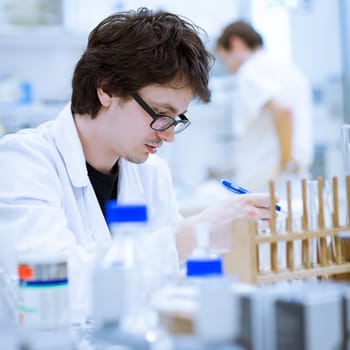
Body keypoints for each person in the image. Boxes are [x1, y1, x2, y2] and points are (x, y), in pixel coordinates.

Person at [0, 9, 274, 322]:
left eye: (176, 119)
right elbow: (56, 292)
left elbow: (168, 289)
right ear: (107, 89)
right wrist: (188, 236)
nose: (169, 135)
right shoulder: (22, 163)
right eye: (160, 112)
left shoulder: (152, 173)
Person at [216, 20, 314, 192]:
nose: (228, 69)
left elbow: (283, 109)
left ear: (236, 43)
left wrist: (285, 162)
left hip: (271, 183)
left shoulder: (250, 71)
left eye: (225, 59)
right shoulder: (289, 69)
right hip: (296, 180)